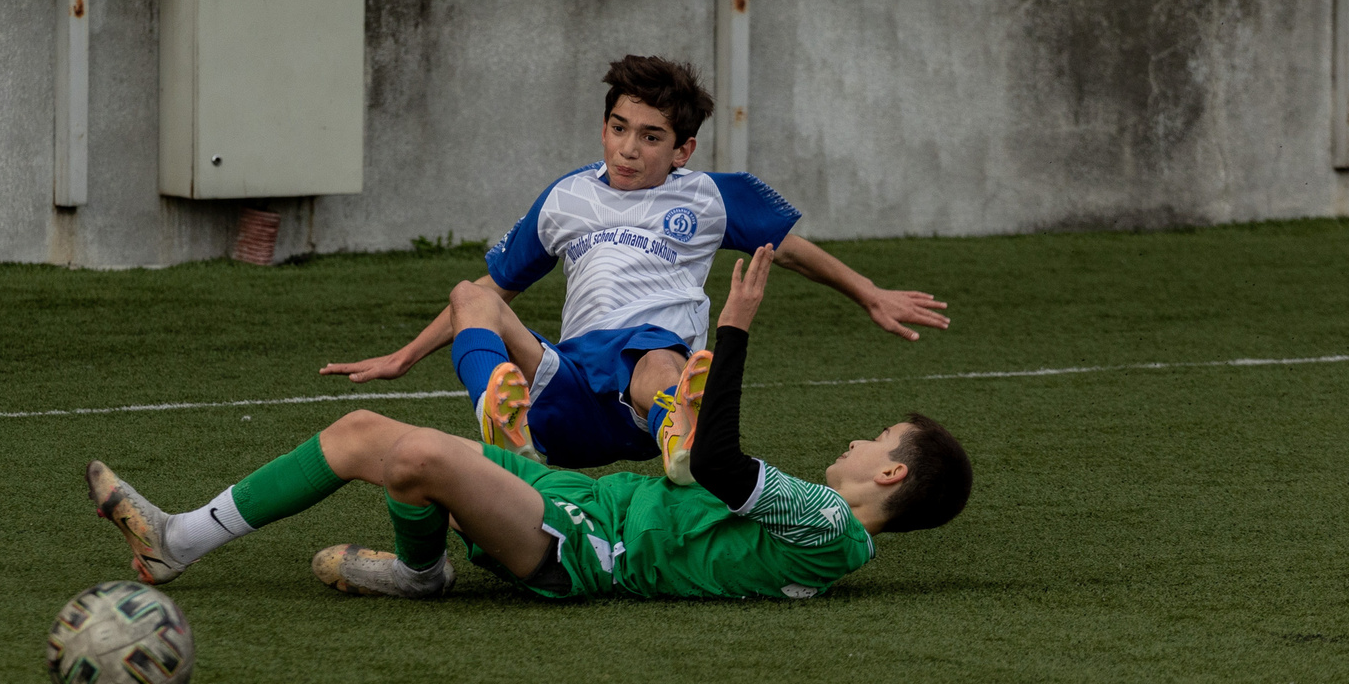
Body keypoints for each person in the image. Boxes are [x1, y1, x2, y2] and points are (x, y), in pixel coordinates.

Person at [87, 244, 973, 602]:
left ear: (891, 474)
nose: (857, 442)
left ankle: (426, 565)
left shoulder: (831, 526)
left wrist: (734, 329)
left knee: (418, 456)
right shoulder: (816, 521)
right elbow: (711, 475)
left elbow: (723, 467)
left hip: (590, 549)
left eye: (875, 441)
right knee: (364, 432)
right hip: (589, 502)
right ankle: (180, 539)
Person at [317, 54, 948, 486]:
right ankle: (505, 424)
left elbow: (789, 248)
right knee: (468, 295)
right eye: (619, 128)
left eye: (650, 137)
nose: (628, 147)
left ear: (682, 150)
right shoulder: (566, 197)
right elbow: (491, 290)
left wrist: (868, 293)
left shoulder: (710, 195)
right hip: (565, 386)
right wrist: (404, 356)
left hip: (644, 391)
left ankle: (680, 432)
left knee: (655, 354)